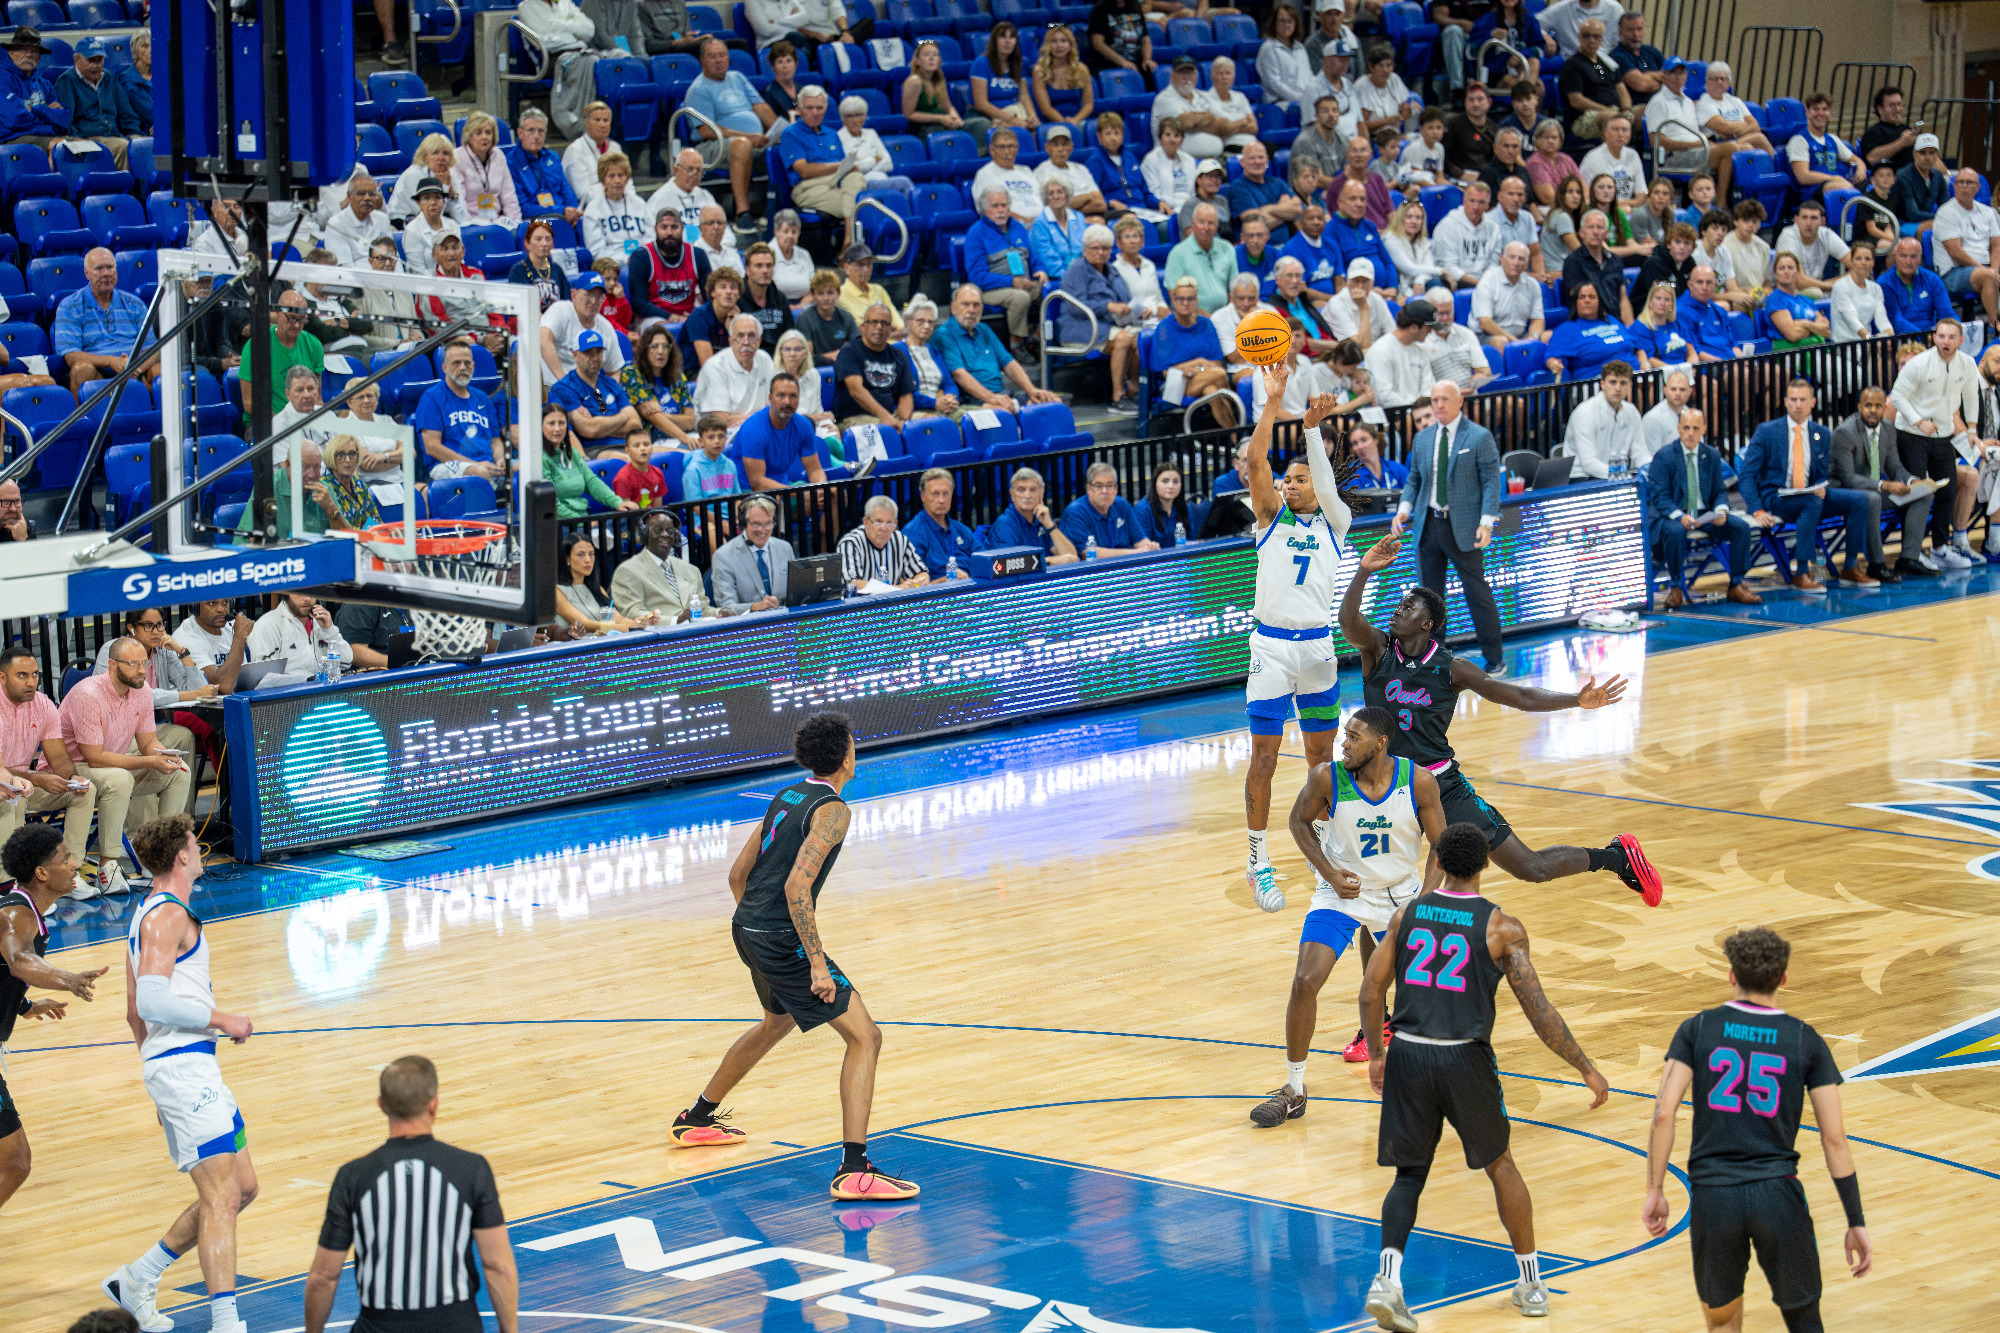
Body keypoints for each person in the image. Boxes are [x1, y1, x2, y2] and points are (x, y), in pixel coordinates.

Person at [1356, 820, 1611, 1330]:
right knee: (1501, 1165)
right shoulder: (1502, 928)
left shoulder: (1407, 915)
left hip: (1407, 1052)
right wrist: (1585, 1066)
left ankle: (1388, 1280)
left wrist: (1379, 1054)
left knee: (1409, 1174)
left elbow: (1369, 991)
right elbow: (1541, 1013)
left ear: (1442, 865)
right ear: (1486, 864)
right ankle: (1532, 1284)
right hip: (1462, 1058)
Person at [667, 714, 917, 1196]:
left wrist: (758, 928)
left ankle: (696, 1118)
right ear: (846, 757)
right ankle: (854, 1169)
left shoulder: (786, 797)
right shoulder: (833, 811)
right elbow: (797, 884)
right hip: (781, 938)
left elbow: (737, 876)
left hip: (748, 928)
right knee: (866, 1038)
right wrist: (815, 963)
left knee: (775, 1022)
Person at [1342, 533, 1658, 897]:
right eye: (1399, 606)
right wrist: (1363, 572)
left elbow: (1518, 695)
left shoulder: (1453, 668)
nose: (1398, 611)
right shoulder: (1379, 650)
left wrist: (1576, 700)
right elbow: (1348, 621)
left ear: (1428, 624)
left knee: (1532, 868)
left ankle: (1617, 857)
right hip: (1383, 783)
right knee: (1375, 889)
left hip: (1440, 785)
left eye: (1408, 608)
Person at [1641, 927, 1873, 1333]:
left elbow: (1663, 1114)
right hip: (1778, 1195)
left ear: (1731, 975)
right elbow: (1835, 1139)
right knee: (1804, 1320)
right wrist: (1855, 1220)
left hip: (1715, 1198)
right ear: (1783, 979)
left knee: (1723, 1321)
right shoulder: (1806, 1040)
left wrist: (1655, 1189)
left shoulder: (1697, 1029)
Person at [100, 814, 259, 1333]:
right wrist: (222, 1020)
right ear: (181, 857)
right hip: (184, 1067)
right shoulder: (166, 916)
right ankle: (226, 1321)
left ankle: (138, 1278)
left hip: (185, 1067)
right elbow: (150, 1000)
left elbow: (132, 1010)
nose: (201, 849)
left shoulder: (147, 913)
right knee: (222, 1195)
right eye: (196, 843)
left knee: (244, 1186)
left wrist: (158, 1067)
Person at [1252, 703, 1447, 1121]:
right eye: (1345, 734)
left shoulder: (1419, 782)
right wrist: (1328, 871)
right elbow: (1297, 823)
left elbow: (1441, 848)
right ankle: (1294, 1087)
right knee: (1306, 979)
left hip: (1399, 896)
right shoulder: (1327, 777)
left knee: (1427, 993)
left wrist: (1427, 898)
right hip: (1341, 895)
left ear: (1380, 744)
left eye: (1353, 737)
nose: (1343, 743)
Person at [303, 1056, 518, 1333]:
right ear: (434, 1104)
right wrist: (509, 1329)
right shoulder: (471, 1169)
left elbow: (324, 1277)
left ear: (381, 1105)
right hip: (456, 1325)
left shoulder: (353, 1176)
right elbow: (497, 1265)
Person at [0, 822, 107, 1200]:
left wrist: (25, 1005)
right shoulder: (15, 915)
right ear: (42, 873)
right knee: (15, 1163)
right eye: (66, 859)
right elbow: (18, 960)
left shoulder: (25, 910)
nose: (76, 864)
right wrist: (68, 980)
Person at [55, 641, 190, 883]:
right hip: (75, 768)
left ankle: (158, 859)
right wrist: (149, 760)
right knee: (120, 778)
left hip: (110, 765)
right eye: (133, 664)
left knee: (179, 771)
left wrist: (164, 754)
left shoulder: (141, 690)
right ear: (112, 665)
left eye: (144, 663)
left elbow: (149, 742)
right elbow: (94, 758)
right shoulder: (88, 695)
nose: (141, 670)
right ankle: (109, 866)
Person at [1739, 377, 1880, 589]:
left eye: (1803, 400)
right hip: (1779, 497)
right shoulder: (1767, 432)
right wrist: (1757, 510)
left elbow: (1823, 473)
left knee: (1860, 499)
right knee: (1810, 503)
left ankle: (1851, 566)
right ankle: (1802, 571)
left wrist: (1821, 486)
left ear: (1813, 402)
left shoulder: (1821, 433)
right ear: (1785, 402)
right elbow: (1747, 475)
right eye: (1793, 399)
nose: (1798, 405)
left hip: (1811, 495)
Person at [1644, 404, 1759, 606]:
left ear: (1704, 429)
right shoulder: (1664, 456)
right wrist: (1681, 516)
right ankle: (1676, 586)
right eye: (1686, 428)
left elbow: (1719, 491)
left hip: (1703, 514)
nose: (1690, 433)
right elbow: (1660, 498)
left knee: (1740, 528)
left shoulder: (1711, 455)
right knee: (1675, 531)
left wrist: (1721, 510)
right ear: (1678, 429)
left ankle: (1737, 584)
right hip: (1672, 516)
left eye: (1695, 429)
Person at [1890, 316, 1982, 566]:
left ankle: (1940, 547)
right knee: (1919, 492)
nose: (1946, 341)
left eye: (1951, 337)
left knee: (1947, 491)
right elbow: (1897, 397)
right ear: (1934, 338)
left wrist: (1972, 429)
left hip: (1943, 436)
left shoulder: (1967, 364)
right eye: (1941, 336)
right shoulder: (1919, 364)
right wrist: (1919, 421)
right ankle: (1913, 550)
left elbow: (1971, 396)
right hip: (1912, 435)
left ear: (1961, 340)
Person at [1830, 385, 1927, 584]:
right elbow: (1848, 478)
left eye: (1878, 406)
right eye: (1868, 405)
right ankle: (1877, 564)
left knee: (1924, 494)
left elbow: (1895, 466)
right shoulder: (1845, 432)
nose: (1873, 411)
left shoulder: (1889, 429)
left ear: (1885, 407)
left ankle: (1909, 558)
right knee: (1873, 498)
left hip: (1876, 488)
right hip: (1845, 492)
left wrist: (1911, 481)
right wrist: (1884, 485)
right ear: (1859, 406)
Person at [684, 39, 778, 218]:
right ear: (702, 60)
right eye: (712, 56)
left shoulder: (738, 78)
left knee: (787, 145)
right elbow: (707, 131)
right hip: (712, 146)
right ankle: (743, 212)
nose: (718, 60)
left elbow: (760, 107)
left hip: (753, 142)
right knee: (741, 145)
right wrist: (749, 138)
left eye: (722, 55)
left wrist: (781, 131)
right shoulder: (698, 89)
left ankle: (779, 209)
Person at [935, 283, 1060, 413]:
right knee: (1003, 413)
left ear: (982, 309)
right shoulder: (944, 334)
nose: (971, 310)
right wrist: (993, 398)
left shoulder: (984, 329)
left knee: (1052, 403)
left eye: (976, 305)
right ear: (953, 307)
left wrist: (1031, 390)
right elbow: (959, 375)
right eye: (965, 304)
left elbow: (1009, 364)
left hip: (1000, 394)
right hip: (970, 399)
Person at [1059, 225, 1142, 413]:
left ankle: (1133, 388)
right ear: (1085, 249)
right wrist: (1108, 306)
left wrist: (1132, 308)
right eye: (1095, 248)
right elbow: (1075, 306)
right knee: (1122, 339)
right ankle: (1117, 396)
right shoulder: (1077, 269)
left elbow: (1124, 295)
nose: (1100, 252)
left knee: (1140, 338)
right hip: (1080, 327)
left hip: (1108, 325)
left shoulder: (1110, 269)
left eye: (1105, 248)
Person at [52, 248, 153, 388]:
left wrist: (134, 368)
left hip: (135, 368)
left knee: (160, 370)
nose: (106, 274)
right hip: (97, 372)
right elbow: (71, 356)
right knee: (81, 369)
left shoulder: (135, 304)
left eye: (110, 267)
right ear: (86, 273)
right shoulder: (69, 306)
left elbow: (151, 348)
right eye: (99, 269)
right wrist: (111, 361)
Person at [964, 188, 1046, 357]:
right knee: (1020, 297)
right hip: (990, 290)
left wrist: (1040, 271)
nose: (1001, 210)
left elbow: (1033, 258)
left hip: (1024, 282)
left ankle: (1036, 338)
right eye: (995, 206)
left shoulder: (1018, 227)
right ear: (985, 210)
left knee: (1053, 291)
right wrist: (1012, 282)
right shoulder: (976, 233)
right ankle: (1017, 345)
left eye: (1004, 205)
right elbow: (977, 277)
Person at [51, 37, 140, 167]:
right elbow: (66, 121)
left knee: (144, 144)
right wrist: (79, 140)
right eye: (91, 61)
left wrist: (134, 133)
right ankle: (124, 187)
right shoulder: (66, 82)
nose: (96, 66)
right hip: (87, 138)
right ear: (77, 60)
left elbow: (126, 113)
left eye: (99, 60)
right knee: (122, 146)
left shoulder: (109, 77)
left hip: (115, 135)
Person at [611, 509, 713, 621]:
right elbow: (633, 614)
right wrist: (675, 621)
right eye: (658, 530)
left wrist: (720, 613)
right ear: (645, 534)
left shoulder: (692, 570)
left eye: (669, 531)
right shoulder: (627, 571)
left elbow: (703, 608)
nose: (665, 534)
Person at [1934, 166, 2000, 325]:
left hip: (1984, 267)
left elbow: (1997, 245)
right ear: (1954, 186)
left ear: (1978, 188)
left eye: (1969, 183)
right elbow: (1955, 252)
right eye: (1960, 182)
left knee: (1990, 275)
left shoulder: (1988, 212)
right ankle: (1995, 325)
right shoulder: (1946, 212)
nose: (1964, 186)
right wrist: (1988, 271)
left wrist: (1995, 269)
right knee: (1988, 276)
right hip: (1953, 271)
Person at [1561, 357, 1647, 478]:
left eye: (1623, 383)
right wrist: (1622, 476)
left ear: (1629, 386)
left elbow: (1640, 453)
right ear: (1602, 384)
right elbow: (1589, 464)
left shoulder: (1631, 412)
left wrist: (1651, 470)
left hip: (1615, 476)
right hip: (1581, 479)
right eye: (1612, 382)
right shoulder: (1585, 413)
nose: (1617, 388)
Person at [831, 303, 912, 430]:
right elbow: (856, 390)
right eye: (873, 322)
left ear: (891, 329)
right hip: (854, 418)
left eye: (884, 323)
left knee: (928, 423)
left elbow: (906, 395)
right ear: (863, 327)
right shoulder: (849, 351)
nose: (879, 327)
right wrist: (885, 417)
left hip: (889, 416)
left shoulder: (899, 355)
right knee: (886, 431)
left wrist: (904, 422)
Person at [694, 313, 777, 438]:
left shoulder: (764, 359)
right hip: (718, 436)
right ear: (730, 341)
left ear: (759, 341)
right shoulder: (715, 367)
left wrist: (754, 418)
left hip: (760, 428)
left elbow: (776, 406)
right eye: (740, 336)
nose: (746, 342)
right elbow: (722, 421)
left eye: (752, 336)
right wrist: (764, 417)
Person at [710, 495, 796, 613]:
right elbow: (726, 607)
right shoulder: (723, 556)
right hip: (748, 625)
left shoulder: (785, 549)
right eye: (756, 524)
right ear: (744, 523)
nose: (762, 530)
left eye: (768, 523)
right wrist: (755, 607)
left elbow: (796, 596)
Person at [1060, 461, 1161, 557]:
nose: (1104, 491)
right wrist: (1136, 553)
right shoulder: (1075, 512)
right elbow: (1088, 553)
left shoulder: (1121, 505)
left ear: (1116, 489)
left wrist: (1150, 546)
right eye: (1098, 486)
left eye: (1109, 485)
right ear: (1088, 489)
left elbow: (1139, 540)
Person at [539, 271, 624, 379]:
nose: (593, 301)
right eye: (588, 295)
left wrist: (609, 394)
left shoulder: (605, 327)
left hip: (587, 391)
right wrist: (564, 383)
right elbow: (544, 340)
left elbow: (615, 370)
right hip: (552, 387)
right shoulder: (561, 310)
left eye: (599, 297)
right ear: (574, 295)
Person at [902, 38, 987, 146]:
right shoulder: (914, 81)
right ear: (917, 61)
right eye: (926, 55)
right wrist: (941, 118)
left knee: (981, 124)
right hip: (926, 129)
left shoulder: (939, 80)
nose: (931, 58)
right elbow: (909, 114)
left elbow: (948, 106)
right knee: (942, 133)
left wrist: (955, 118)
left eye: (935, 55)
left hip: (944, 123)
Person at [988, 466, 1081, 563]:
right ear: (1012, 494)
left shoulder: (1042, 518)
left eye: (1032, 490)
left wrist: (1050, 525)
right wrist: (1050, 561)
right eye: (1021, 490)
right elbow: (1010, 565)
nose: (1027, 495)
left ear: (1042, 493)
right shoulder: (1004, 524)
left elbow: (1072, 557)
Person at [506, 108, 583, 223]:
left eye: (540, 131)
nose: (536, 136)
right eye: (531, 130)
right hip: (534, 221)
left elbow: (567, 192)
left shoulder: (553, 158)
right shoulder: (511, 163)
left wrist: (573, 211)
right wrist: (561, 211)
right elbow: (521, 208)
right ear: (520, 133)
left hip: (564, 218)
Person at [838, 495, 930, 589]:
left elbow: (921, 573)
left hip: (893, 602)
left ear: (896, 523)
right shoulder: (850, 543)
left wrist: (917, 582)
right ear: (865, 521)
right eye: (878, 522)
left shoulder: (899, 539)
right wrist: (895, 589)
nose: (884, 528)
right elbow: (852, 583)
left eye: (889, 523)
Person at [1559, 17, 1628, 142]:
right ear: (1579, 37)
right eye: (1586, 36)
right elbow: (1576, 101)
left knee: (1645, 112)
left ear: (1601, 40)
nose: (1591, 40)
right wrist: (1609, 111)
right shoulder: (1573, 65)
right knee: (1613, 120)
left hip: (1615, 111)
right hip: (1587, 117)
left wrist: (1627, 111)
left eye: (1596, 37)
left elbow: (1621, 89)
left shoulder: (1606, 63)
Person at [1166, 201, 1240, 316]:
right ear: (1193, 224)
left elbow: (1235, 290)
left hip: (1225, 316)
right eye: (1201, 222)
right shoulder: (1178, 254)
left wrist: (1228, 317)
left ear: (1217, 226)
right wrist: (1208, 319)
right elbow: (1175, 299)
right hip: (1193, 319)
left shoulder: (1227, 248)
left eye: (1211, 223)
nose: (1206, 227)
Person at [1788, 90, 1866, 200]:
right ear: (1807, 112)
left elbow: (1857, 160)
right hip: (1813, 192)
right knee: (1846, 190)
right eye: (1816, 109)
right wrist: (1834, 178)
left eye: (1825, 109)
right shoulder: (1799, 141)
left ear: (1830, 113)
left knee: (1873, 186)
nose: (1821, 113)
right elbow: (1803, 177)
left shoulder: (1832, 139)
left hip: (1836, 184)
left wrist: (1861, 170)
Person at [901, 468, 976, 579]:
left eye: (946, 493)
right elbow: (914, 586)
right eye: (935, 494)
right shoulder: (912, 533)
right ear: (923, 496)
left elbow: (984, 561)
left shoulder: (962, 530)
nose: (941, 500)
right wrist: (946, 579)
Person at [1364, 300, 1437, 409]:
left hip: (1420, 415)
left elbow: (1429, 388)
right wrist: (1412, 411)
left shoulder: (1421, 351)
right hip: (1392, 416)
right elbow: (1384, 396)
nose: (1431, 332)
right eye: (1428, 328)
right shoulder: (1381, 351)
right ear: (1414, 327)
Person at [1471, 241, 1545, 345]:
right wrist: (1515, 342)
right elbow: (1485, 323)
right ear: (1502, 259)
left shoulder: (1532, 285)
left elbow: (1538, 319)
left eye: (1521, 259)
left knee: (1548, 337)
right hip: (1487, 335)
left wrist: (1533, 338)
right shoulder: (1487, 282)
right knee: (1501, 341)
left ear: (1526, 264)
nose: (1516, 262)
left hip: (1520, 335)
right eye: (1512, 257)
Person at [1877, 235, 1951, 336]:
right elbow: (1896, 321)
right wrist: (1923, 337)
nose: (1908, 261)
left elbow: (1947, 313)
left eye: (1913, 256)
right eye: (1903, 256)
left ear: (1920, 257)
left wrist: (1956, 330)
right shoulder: (1884, 283)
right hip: (1902, 338)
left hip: (1932, 335)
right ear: (1896, 256)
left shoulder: (1932, 279)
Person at [1431, 182, 1501, 289]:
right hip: (1456, 282)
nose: (1476, 207)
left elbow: (1493, 264)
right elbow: (1448, 267)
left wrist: (1486, 284)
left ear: (1488, 204)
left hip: (1485, 283)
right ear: (1464, 201)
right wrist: (1480, 285)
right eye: (1472, 201)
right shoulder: (1448, 225)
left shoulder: (1494, 228)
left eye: (1481, 202)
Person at [972, 21, 1038, 132]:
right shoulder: (981, 63)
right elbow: (981, 104)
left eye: (1012, 37)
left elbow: (1024, 96)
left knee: (1032, 126)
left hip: (1014, 114)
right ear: (994, 41)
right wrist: (1012, 120)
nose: (1007, 41)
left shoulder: (1017, 64)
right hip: (986, 117)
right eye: (1002, 36)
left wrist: (1032, 116)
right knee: (1017, 128)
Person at [1082, 111, 1147, 219]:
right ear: (1099, 136)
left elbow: (1145, 189)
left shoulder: (1130, 157)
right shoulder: (1095, 162)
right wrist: (1110, 203)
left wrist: (1158, 202)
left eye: (1117, 133)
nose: (1113, 138)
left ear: (1122, 135)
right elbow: (1093, 198)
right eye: (1108, 134)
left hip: (1142, 209)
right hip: (1116, 212)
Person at [1763, 253, 1831, 350]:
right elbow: (1792, 335)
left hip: (1817, 350)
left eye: (1790, 268)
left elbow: (1826, 331)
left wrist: (1803, 323)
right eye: (1782, 268)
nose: (1786, 271)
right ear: (1775, 274)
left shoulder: (1807, 301)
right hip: (1791, 354)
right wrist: (1814, 327)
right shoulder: (1775, 299)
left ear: (1798, 272)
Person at [1258, 3, 1317, 110]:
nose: (1286, 25)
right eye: (1282, 21)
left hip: (1303, 99)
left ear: (1295, 24)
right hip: (1279, 103)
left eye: (1289, 21)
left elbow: (1309, 75)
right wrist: (1298, 98)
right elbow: (1274, 84)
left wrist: (1314, 94)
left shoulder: (1300, 48)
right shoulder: (1268, 48)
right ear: (1274, 23)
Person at [1112, 216, 1168, 327]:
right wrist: (1153, 311)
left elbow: (1159, 298)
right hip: (1135, 323)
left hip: (1157, 319)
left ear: (1142, 241)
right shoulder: (1115, 270)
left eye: (1135, 236)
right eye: (1127, 237)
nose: (1132, 241)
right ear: (1118, 243)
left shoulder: (1149, 265)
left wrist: (1162, 311)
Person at [1626, 279, 1691, 373]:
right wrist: (1677, 373)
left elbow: (1691, 351)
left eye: (1667, 299)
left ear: (1672, 304)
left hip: (1684, 371)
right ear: (1650, 302)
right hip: (1661, 374)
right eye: (1658, 298)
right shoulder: (1641, 326)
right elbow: (1650, 359)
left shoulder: (1677, 323)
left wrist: (1692, 369)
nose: (1662, 303)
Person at [1032, 177, 1089, 280]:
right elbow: (1049, 261)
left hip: (1084, 273)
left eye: (1060, 192)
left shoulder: (1079, 217)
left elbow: (1087, 249)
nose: (1056, 196)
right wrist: (1072, 277)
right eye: (1051, 193)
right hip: (1058, 277)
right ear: (1046, 198)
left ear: (1067, 194)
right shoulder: (1040, 223)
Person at [1384, 200, 1445, 297]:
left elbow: (1429, 266)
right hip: (1401, 289)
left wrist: (1419, 281)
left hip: (1418, 284)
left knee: (1435, 284)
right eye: (1409, 217)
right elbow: (1410, 269)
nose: (1414, 221)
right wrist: (1441, 271)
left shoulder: (1423, 242)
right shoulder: (1390, 239)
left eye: (1418, 218)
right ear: (1401, 219)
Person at [1891, 133, 1951, 232]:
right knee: (1940, 227)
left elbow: (1946, 206)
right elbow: (1913, 214)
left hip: (1928, 220)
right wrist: (1944, 218)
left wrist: (1948, 218)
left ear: (1937, 155)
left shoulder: (1938, 176)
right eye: (1922, 153)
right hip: (1902, 223)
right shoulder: (1903, 176)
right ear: (1914, 153)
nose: (1927, 157)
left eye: (1932, 153)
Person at [1327, 258, 1392, 346]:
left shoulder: (1377, 300)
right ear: (1347, 282)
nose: (1360, 286)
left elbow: (1392, 334)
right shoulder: (1336, 304)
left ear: (1372, 283)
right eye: (1356, 281)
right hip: (1349, 354)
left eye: (1365, 281)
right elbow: (1360, 346)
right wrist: (1364, 307)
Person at [1142, 116, 1199, 214]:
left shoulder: (1189, 159)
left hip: (1189, 208)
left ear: (1181, 140)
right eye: (1168, 135)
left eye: (1176, 135)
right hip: (1165, 210)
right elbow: (1153, 192)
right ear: (1160, 138)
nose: (1172, 139)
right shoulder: (1151, 160)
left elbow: (1194, 191)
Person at [1443, 83, 1497, 184]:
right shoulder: (1453, 125)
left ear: (1489, 102)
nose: (1475, 104)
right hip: (1458, 178)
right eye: (1471, 100)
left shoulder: (1494, 129)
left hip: (1484, 177)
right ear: (1465, 102)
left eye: (1480, 99)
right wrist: (1460, 174)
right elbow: (1442, 156)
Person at [682, 413, 743, 503]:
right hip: (704, 516)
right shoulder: (693, 469)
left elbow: (737, 497)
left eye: (721, 436)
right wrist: (718, 518)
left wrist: (738, 516)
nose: (717, 441)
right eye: (711, 437)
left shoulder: (730, 464)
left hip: (730, 515)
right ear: (701, 441)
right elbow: (695, 505)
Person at [1087, 0, 1155, 80]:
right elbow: (1097, 43)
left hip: (1135, 61)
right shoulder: (1099, 9)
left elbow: (1145, 39)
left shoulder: (1135, 6)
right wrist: (1122, 62)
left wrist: (1147, 59)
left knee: (1152, 71)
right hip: (1109, 63)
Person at [1527, 118, 1581, 211]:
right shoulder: (1534, 162)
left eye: (1554, 137)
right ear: (1537, 139)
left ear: (1560, 140)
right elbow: (1548, 197)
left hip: (1573, 204)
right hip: (1550, 208)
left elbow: (1582, 185)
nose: (1551, 141)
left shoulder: (1566, 159)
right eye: (1546, 137)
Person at [761, 39, 804, 120]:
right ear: (772, 66)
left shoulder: (803, 90)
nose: (785, 66)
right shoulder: (768, 94)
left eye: (789, 61)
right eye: (780, 62)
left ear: (796, 63)